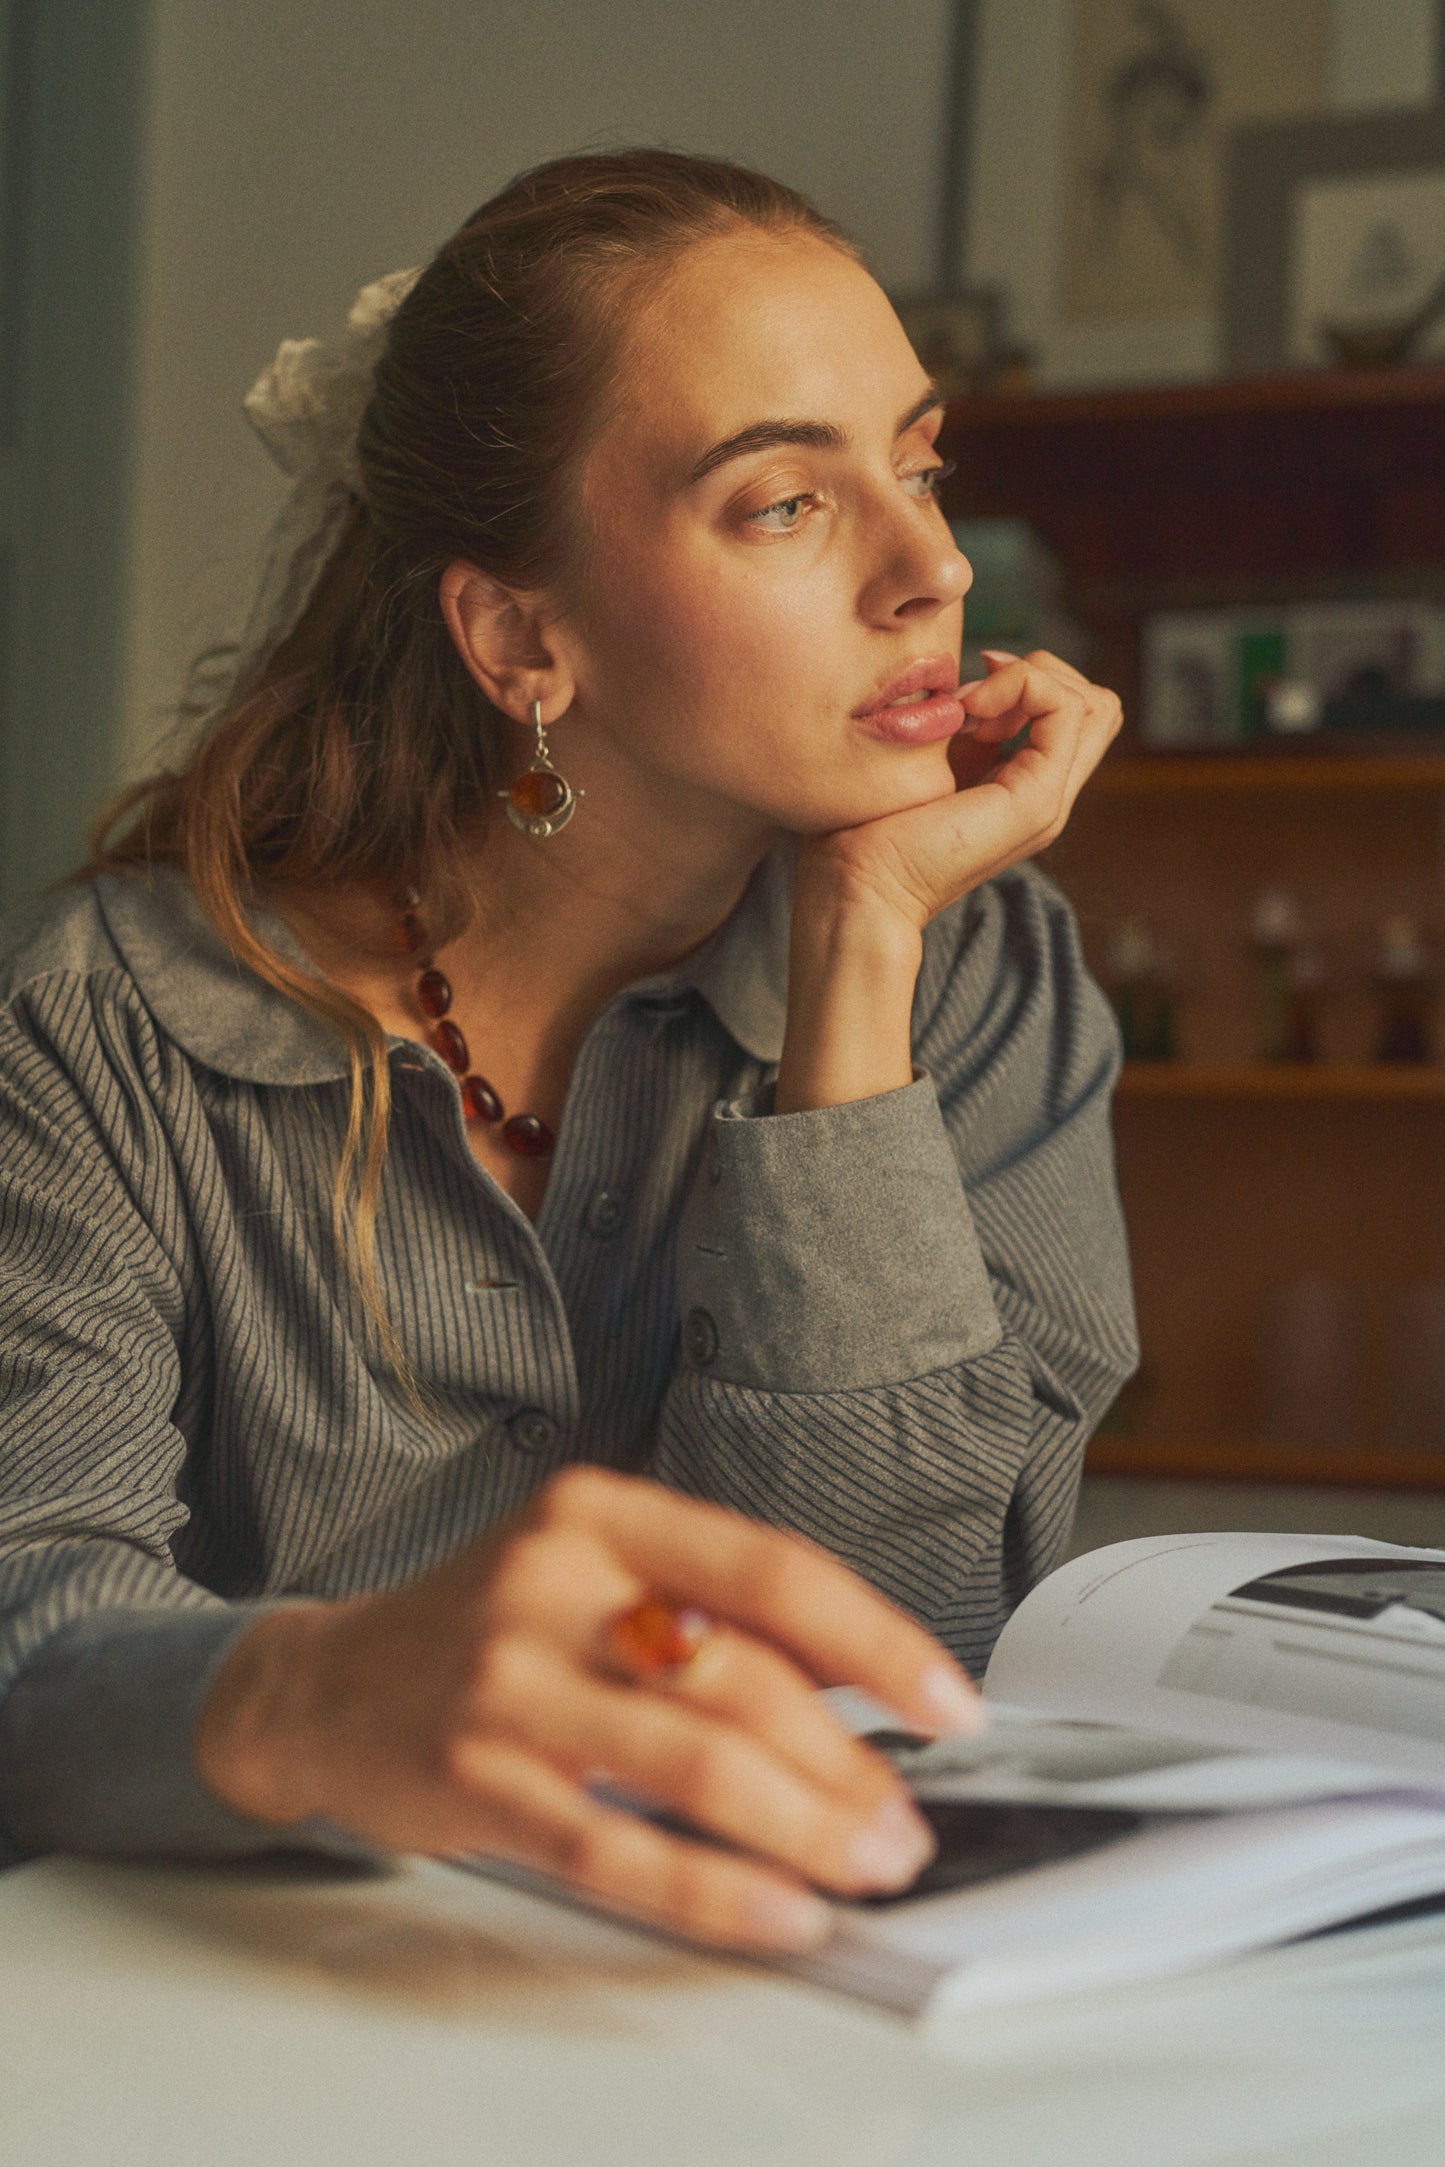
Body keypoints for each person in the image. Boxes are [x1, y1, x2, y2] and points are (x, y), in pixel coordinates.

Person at [0, 149, 1135, 1955]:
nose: (930, 568)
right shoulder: (115, 1023)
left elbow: (904, 1651)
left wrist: (858, 958)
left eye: (919, 466)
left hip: (768, 2005)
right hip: (241, 2005)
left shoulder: (978, 972)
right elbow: (25, 1637)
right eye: (785, 501)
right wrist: (319, 1694)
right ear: (521, 636)